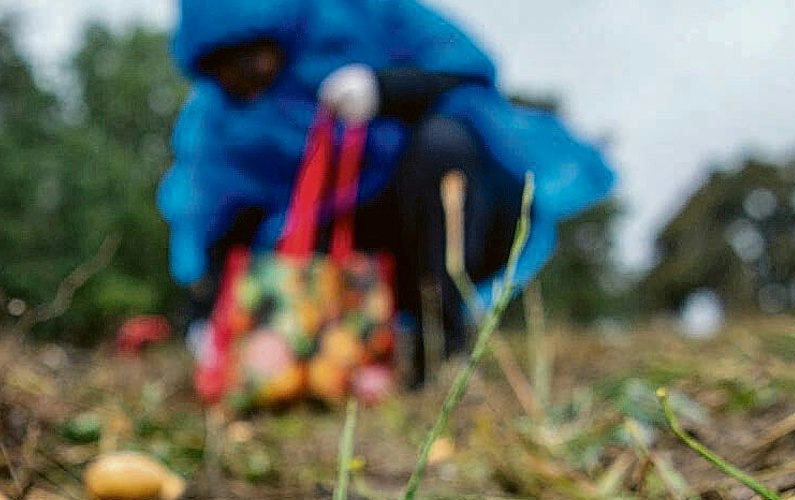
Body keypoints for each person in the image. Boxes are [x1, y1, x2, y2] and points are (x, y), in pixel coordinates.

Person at [160, 0, 614, 382]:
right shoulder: (218, 118)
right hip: (329, 264)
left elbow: (468, 75)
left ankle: (438, 346)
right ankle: (341, 356)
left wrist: (388, 88)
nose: (246, 82)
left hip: (433, 222)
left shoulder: (363, 12)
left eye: (250, 60)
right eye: (226, 73)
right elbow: (219, 217)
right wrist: (209, 315)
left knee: (444, 143)